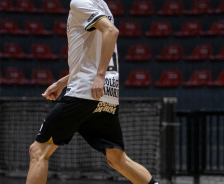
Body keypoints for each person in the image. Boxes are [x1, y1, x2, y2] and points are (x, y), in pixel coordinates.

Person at [26, 0, 159, 184]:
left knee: (38, 151)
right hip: (106, 94)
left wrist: (99, 75)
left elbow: (112, 32)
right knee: (117, 159)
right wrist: (62, 82)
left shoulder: (79, 2)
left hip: (85, 92)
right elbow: (92, 56)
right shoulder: (102, 5)